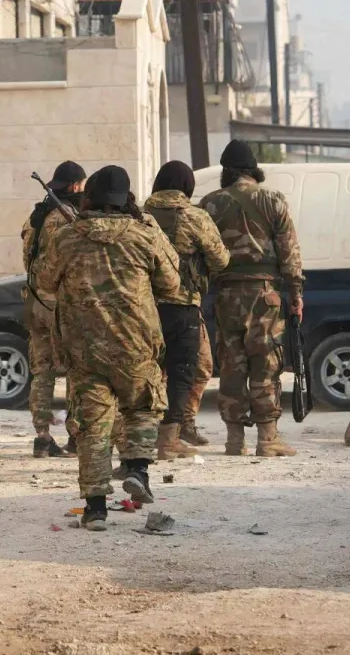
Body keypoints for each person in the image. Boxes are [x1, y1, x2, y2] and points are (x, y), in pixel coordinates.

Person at [38, 165, 181, 531]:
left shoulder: (68, 238)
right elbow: (172, 283)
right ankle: (137, 469)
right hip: (136, 345)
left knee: (93, 428)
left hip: (84, 350)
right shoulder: (144, 236)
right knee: (142, 408)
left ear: (90, 197)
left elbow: (43, 280)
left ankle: (96, 509)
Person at [199, 141, 303, 457]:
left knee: (231, 366)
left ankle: (234, 441)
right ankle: (268, 440)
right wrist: (296, 293)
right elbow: (290, 253)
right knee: (266, 363)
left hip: (227, 296)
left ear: (225, 171)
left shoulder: (210, 204)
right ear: (254, 169)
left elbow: (202, 255)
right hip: (265, 296)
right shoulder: (273, 200)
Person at [144, 161, 230, 460]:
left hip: (143, 308)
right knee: (182, 371)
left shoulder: (141, 216)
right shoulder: (196, 217)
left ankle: (141, 436)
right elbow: (221, 260)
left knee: (146, 372)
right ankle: (169, 440)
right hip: (182, 306)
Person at [22, 161, 86, 458]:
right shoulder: (69, 219)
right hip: (63, 303)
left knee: (42, 371)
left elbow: (28, 261)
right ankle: (76, 435)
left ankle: (42, 436)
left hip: (36, 301)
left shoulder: (34, 218)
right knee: (76, 369)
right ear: (75, 186)